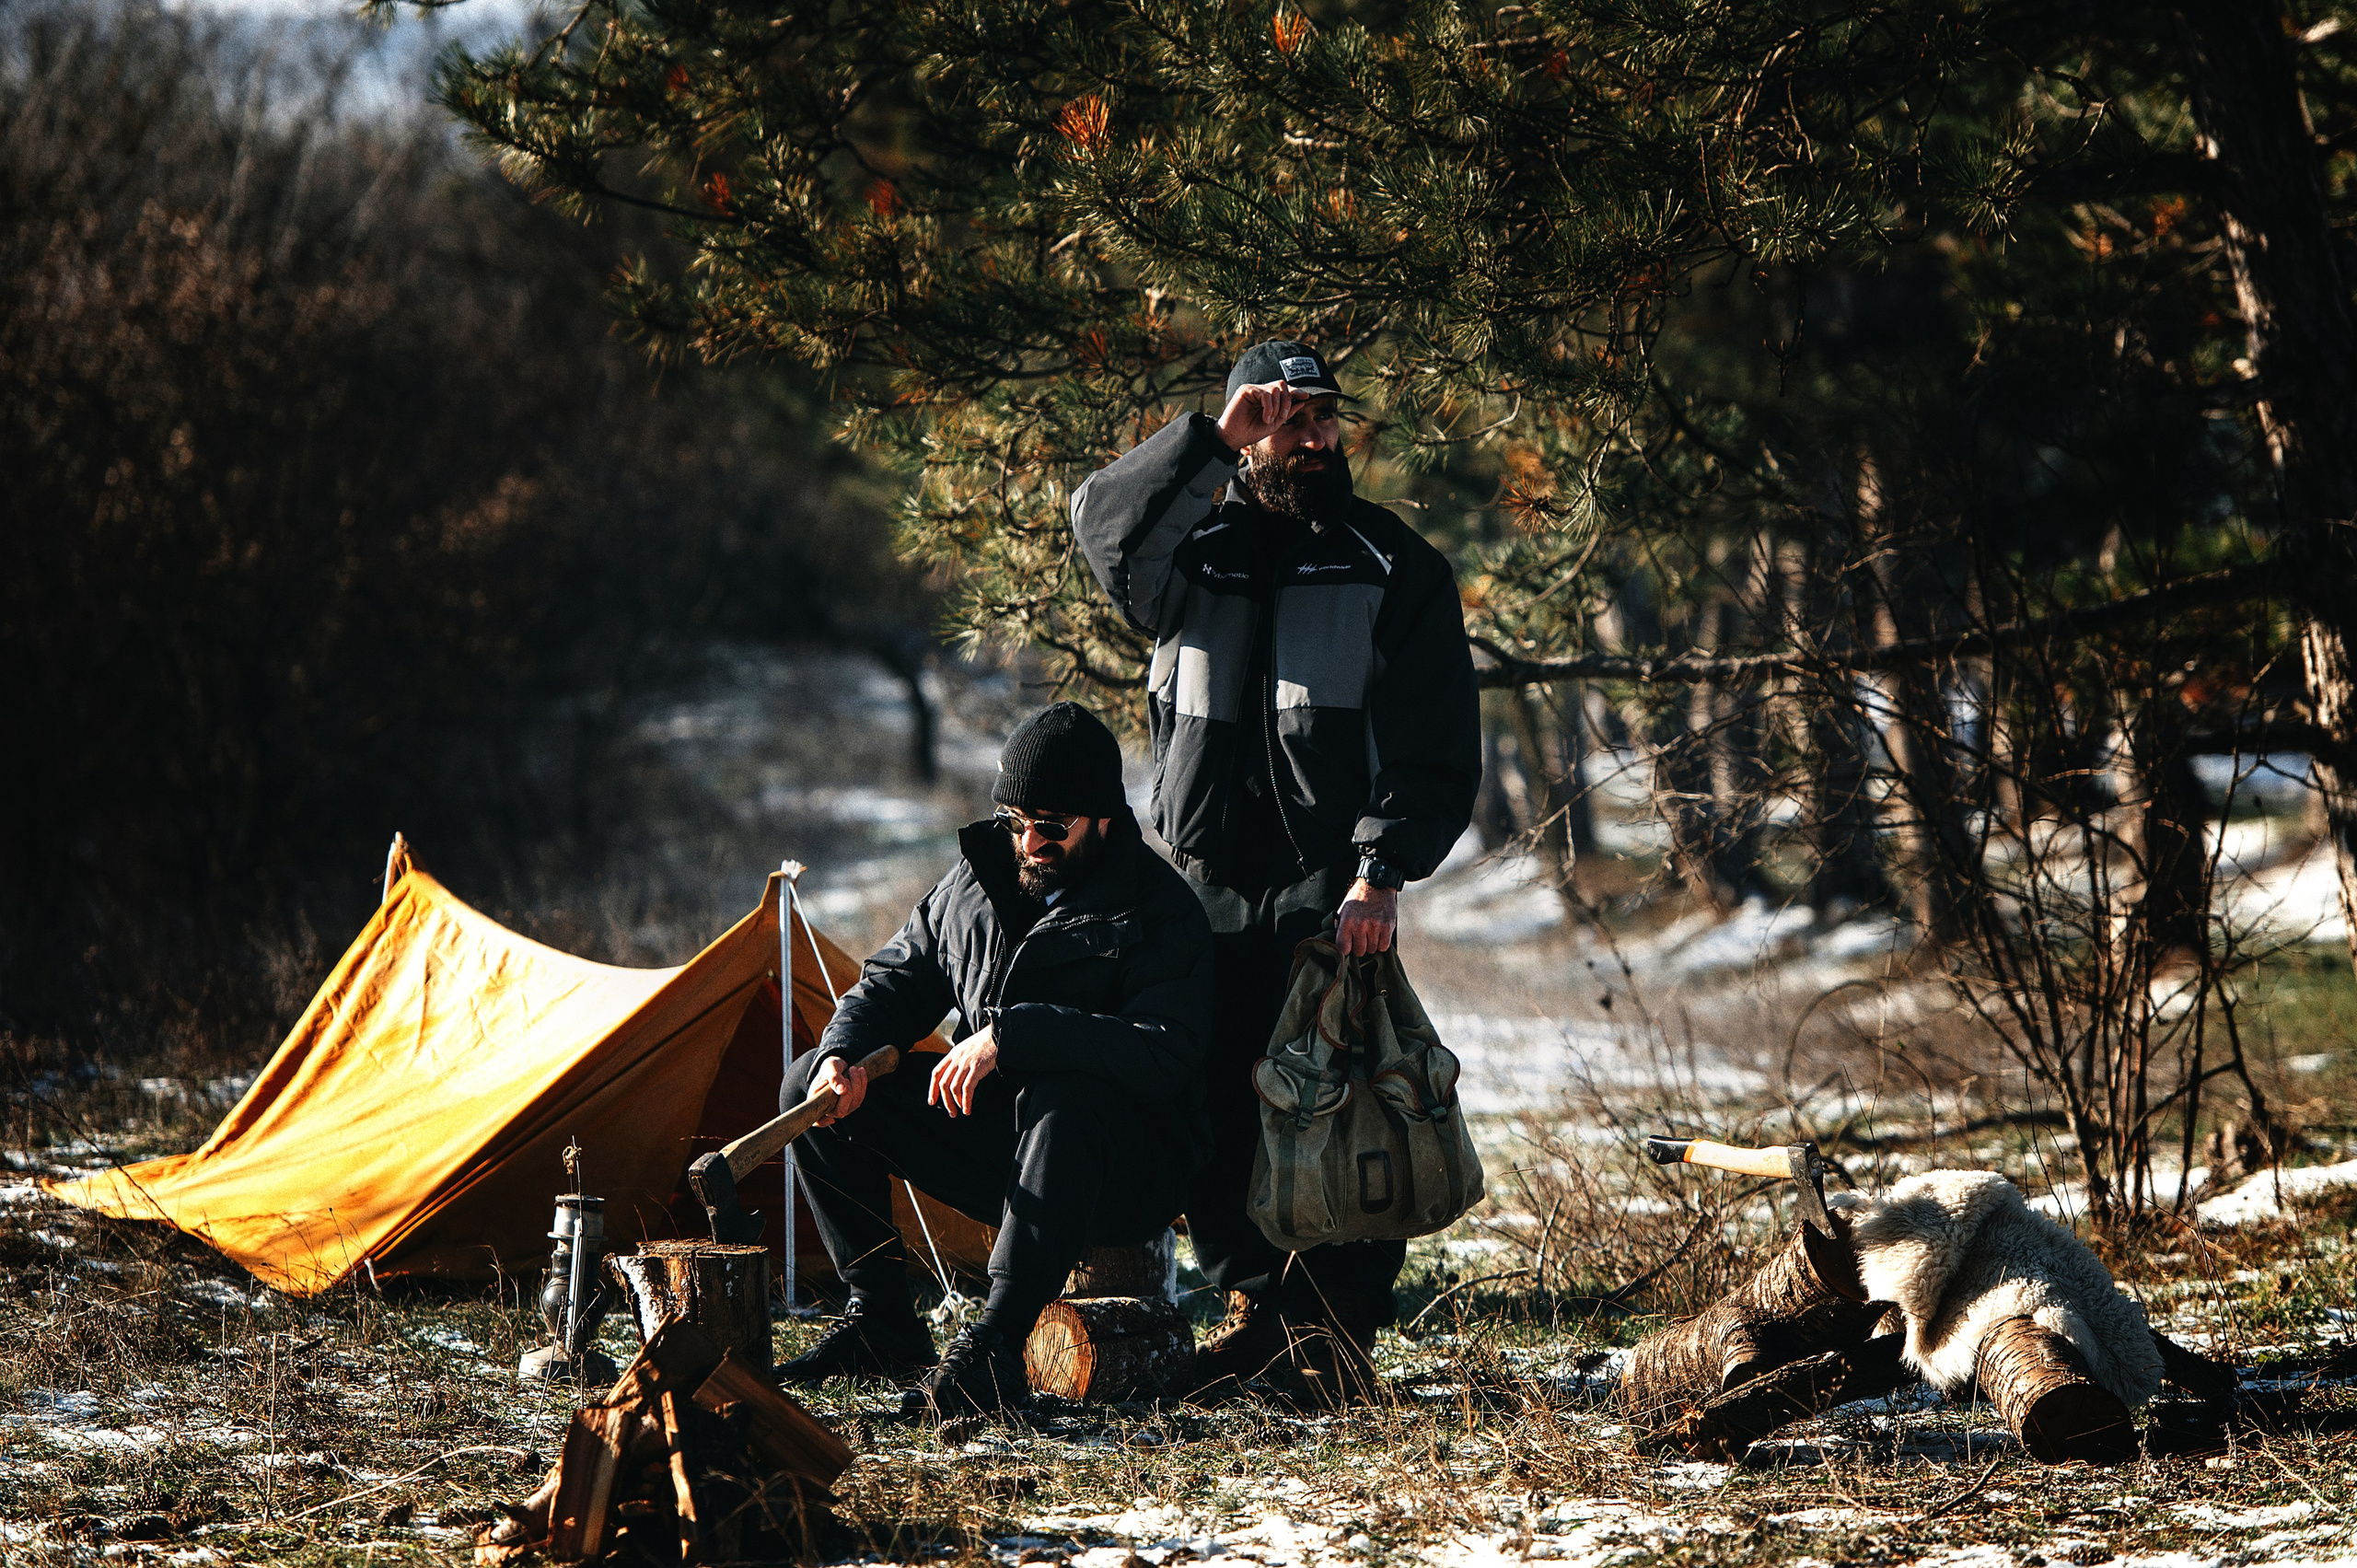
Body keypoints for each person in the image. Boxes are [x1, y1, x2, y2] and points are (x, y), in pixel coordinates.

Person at [1070, 340, 1480, 1402]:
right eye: (1285, 418)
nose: (1310, 437)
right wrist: (1211, 437)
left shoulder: (1390, 562)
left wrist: (1379, 871)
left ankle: (1333, 1333)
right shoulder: (1185, 559)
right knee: (1213, 1102)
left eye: (1323, 418)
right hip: (1200, 878)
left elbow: (1436, 742)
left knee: (1339, 1105)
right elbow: (1100, 526)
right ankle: (1258, 1311)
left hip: (1324, 883)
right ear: (1249, 428)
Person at [775, 703, 1215, 1418]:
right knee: (811, 1086)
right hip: (1005, 1149)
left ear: (1103, 817)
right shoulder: (975, 883)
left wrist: (1016, 1035)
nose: (1029, 840)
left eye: (1051, 825)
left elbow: (1165, 1054)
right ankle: (881, 1317)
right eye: (1016, 820)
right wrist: (842, 1053)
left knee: (1067, 1096)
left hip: (1122, 1170)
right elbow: (894, 979)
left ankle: (997, 1347)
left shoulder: (1160, 913)